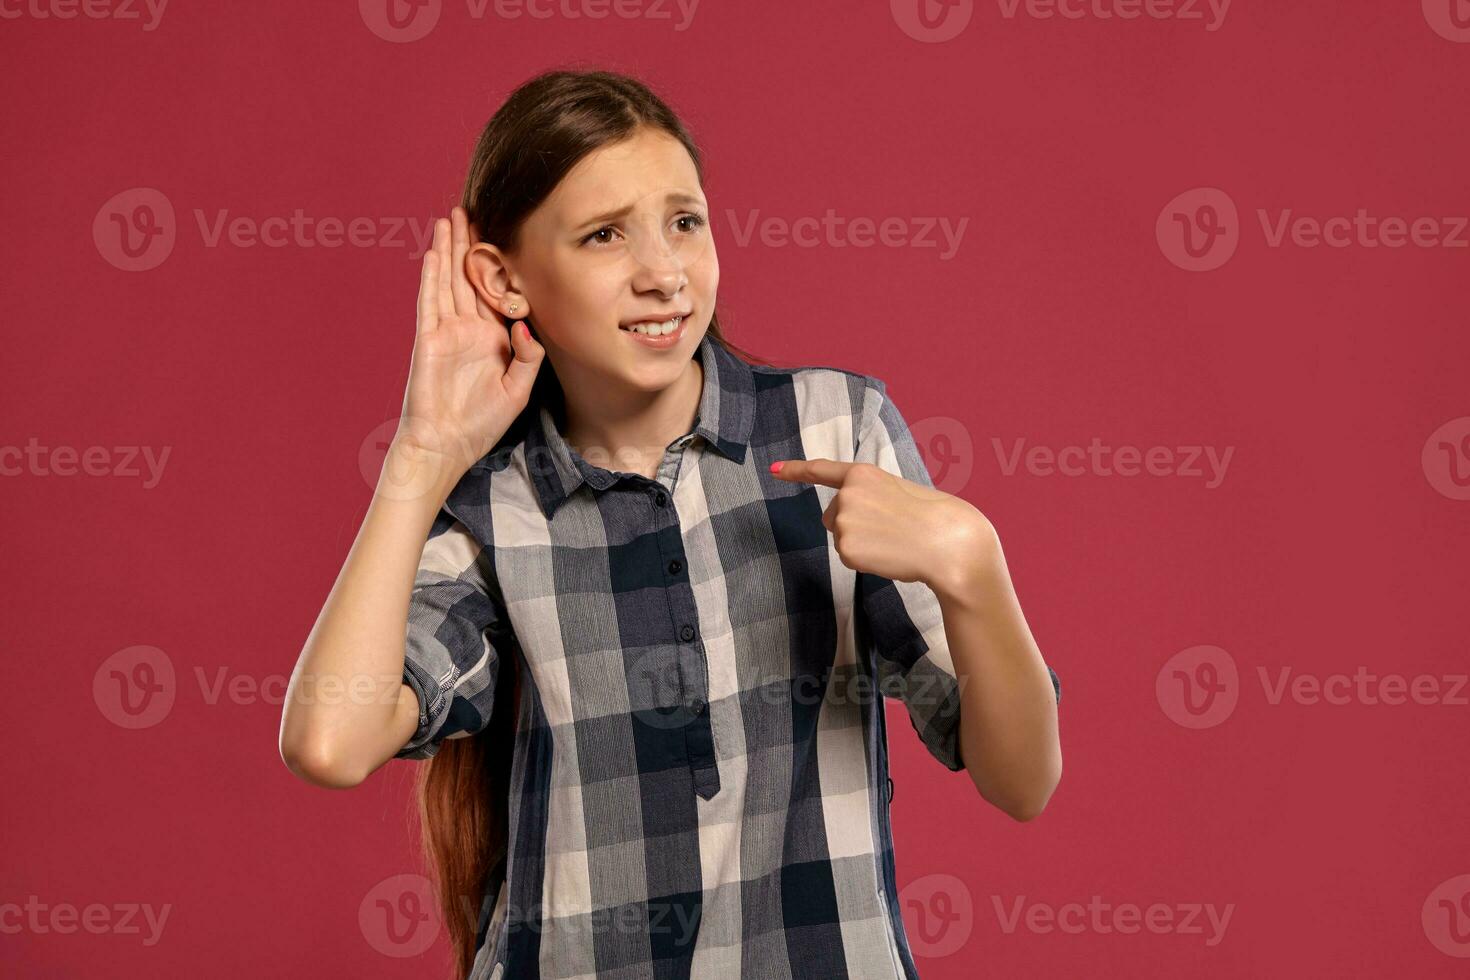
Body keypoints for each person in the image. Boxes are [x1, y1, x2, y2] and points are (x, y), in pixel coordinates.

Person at [278, 68, 1062, 980]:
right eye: (605, 235)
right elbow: (329, 744)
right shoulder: (496, 506)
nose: (662, 273)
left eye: (684, 221)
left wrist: (976, 566)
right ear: (505, 278)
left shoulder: (834, 430)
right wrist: (421, 455)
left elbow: (1023, 781)